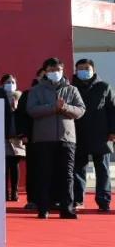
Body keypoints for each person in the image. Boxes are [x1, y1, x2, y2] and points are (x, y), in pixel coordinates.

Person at [27, 58, 85, 219]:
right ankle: (43, 208)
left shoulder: (72, 89)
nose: (55, 73)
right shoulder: (36, 90)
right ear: (45, 72)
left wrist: (64, 107)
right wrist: (53, 107)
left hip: (67, 138)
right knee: (44, 174)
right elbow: (32, 110)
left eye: (58, 70)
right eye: (51, 70)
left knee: (67, 175)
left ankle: (67, 209)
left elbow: (80, 110)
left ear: (62, 70)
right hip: (43, 139)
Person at [71, 58, 115, 212]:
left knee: (102, 170)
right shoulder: (71, 87)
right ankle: (78, 199)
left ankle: (104, 201)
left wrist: (113, 131)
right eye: (80, 68)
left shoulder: (104, 87)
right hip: (78, 133)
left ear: (93, 70)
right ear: (76, 70)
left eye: (87, 68)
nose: (84, 71)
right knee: (78, 169)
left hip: (101, 135)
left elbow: (112, 110)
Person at [17, 67, 45, 210]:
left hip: (54, 138)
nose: (47, 77)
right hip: (33, 137)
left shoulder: (61, 92)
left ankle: (54, 199)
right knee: (34, 169)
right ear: (37, 77)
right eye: (43, 75)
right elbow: (21, 115)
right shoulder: (28, 94)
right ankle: (33, 199)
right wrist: (23, 134)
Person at [3, 75, 26, 201]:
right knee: (4, 165)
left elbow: (24, 115)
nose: (10, 84)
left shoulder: (20, 97)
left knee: (14, 164)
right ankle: (4, 191)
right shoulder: (0, 97)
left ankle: (14, 191)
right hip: (3, 135)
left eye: (12, 82)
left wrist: (16, 108)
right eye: (7, 82)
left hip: (16, 136)